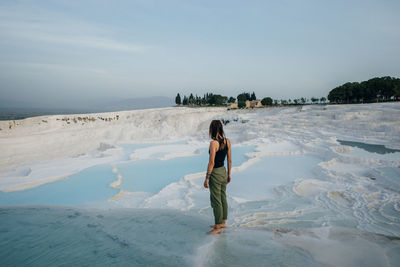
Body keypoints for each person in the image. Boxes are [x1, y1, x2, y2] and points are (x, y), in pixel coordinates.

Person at [204, 120, 232, 234]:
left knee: (216, 200)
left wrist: (207, 178)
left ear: (212, 129)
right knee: (222, 197)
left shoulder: (213, 143)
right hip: (223, 171)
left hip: (215, 173)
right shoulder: (227, 141)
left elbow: (211, 162)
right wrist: (229, 174)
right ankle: (223, 222)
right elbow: (229, 160)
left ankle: (217, 227)